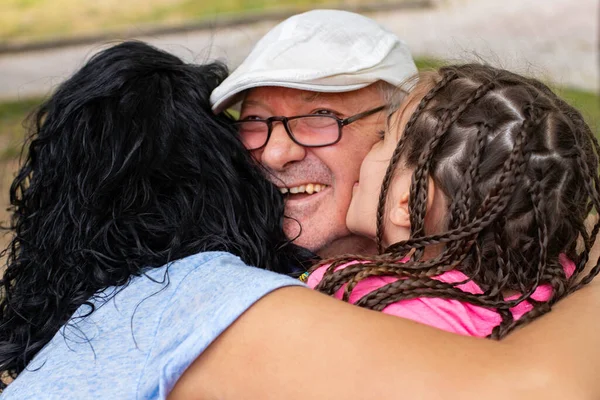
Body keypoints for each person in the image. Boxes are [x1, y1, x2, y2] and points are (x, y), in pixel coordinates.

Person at [306, 64, 600, 339]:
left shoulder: (354, 296)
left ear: (409, 203)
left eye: (384, 138)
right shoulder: (548, 290)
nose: (369, 148)